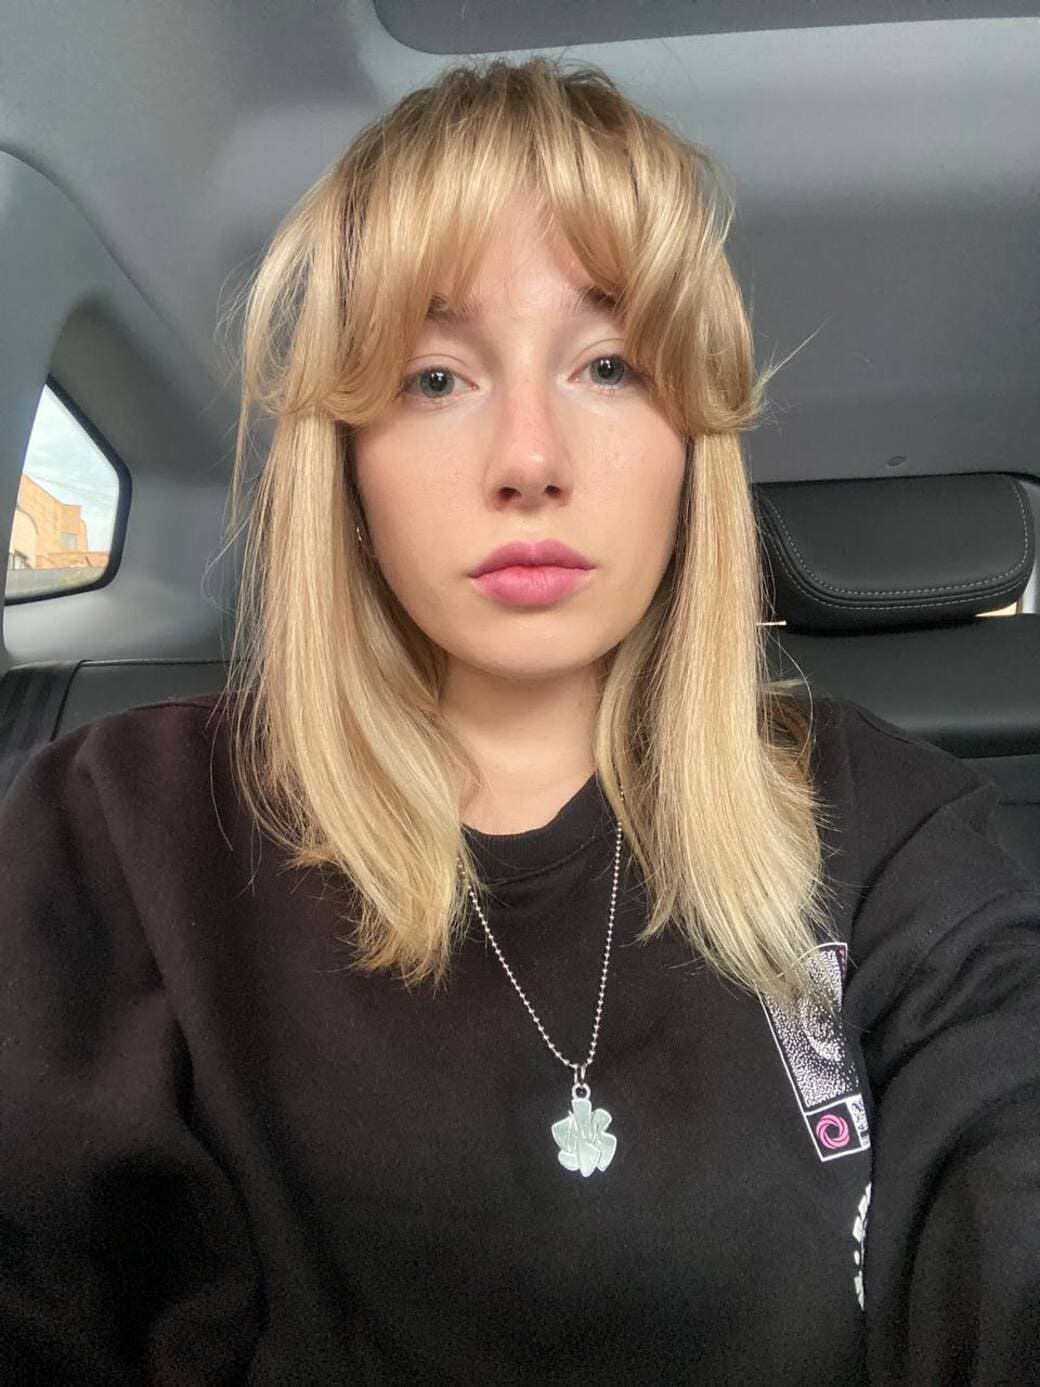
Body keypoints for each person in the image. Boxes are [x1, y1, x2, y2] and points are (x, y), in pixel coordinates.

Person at [1, 54, 1038, 1387]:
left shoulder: (893, 830)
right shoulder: (112, 830)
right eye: (436, 379)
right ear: (347, 458)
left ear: (692, 443)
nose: (531, 460)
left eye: (609, 364)